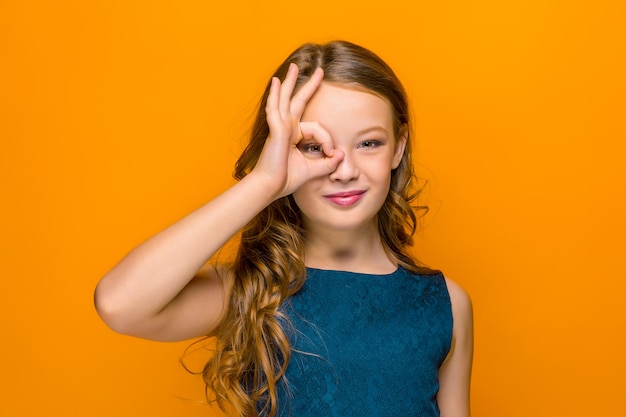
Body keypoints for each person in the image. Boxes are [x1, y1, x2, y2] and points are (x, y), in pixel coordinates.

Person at [94, 40, 473, 417]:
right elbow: (119, 304)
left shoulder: (445, 304)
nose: (344, 170)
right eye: (313, 147)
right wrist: (264, 184)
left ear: (399, 147)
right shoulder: (252, 291)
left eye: (369, 143)